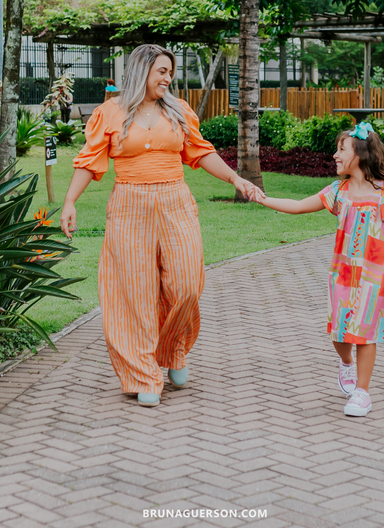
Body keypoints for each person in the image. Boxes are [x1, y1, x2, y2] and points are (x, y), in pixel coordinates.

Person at [62, 44, 263, 407]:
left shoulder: (179, 110)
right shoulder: (110, 113)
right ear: (142, 72)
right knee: (135, 294)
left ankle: (173, 351)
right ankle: (144, 374)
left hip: (175, 202)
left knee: (186, 284)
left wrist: (235, 179)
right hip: (129, 206)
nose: (168, 78)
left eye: (170, 72)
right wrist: (70, 201)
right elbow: (88, 160)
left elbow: (201, 153)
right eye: (162, 72)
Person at [253, 122, 384, 417]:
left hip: (376, 274)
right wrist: (262, 197)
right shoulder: (338, 192)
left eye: (341, 149)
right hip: (344, 274)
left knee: (365, 333)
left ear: (360, 154)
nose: (335, 155)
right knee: (339, 332)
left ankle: (362, 392)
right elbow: (298, 205)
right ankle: (346, 363)